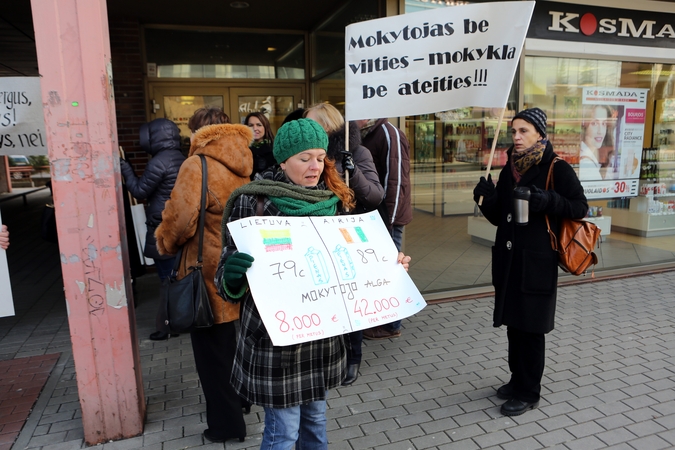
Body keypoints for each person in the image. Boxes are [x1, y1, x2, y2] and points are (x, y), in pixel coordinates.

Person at [216, 118, 411, 449]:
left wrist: (387, 268)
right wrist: (232, 274)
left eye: (320, 157)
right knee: (283, 432)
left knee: (316, 425)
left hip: (320, 337)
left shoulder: (331, 202)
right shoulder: (253, 201)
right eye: (304, 158)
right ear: (282, 160)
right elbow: (225, 278)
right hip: (275, 341)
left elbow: (347, 268)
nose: (315, 166)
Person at [472, 108, 588, 417]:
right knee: (514, 324)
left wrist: (546, 200)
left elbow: (580, 206)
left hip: (537, 260)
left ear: (540, 133)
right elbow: (499, 217)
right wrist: (485, 199)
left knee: (531, 328)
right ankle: (516, 379)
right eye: (513, 132)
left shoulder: (556, 166)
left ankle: (529, 391)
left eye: (523, 131)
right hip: (510, 259)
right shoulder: (510, 167)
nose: (517, 137)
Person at [155, 107, 252, 443]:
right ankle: (242, 401)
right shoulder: (244, 161)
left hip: (207, 273)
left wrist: (164, 243)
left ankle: (227, 427)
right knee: (234, 348)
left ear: (198, 132)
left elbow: (181, 220)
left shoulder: (196, 165)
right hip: (239, 270)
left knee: (213, 358)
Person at [304, 103, 384, 386]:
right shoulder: (305, 155)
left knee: (350, 302)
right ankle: (327, 355)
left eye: (313, 124)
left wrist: (353, 170)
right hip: (314, 238)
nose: (308, 129)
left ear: (327, 125)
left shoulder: (358, 152)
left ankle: (353, 357)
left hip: (344, 237)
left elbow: (374, 196)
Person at [120, 118, 185, 337]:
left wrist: (126, 169)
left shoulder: (159, 161)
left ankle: (168, 326)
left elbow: (139, 191)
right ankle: (181, 319)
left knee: (166, 280)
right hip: (178, 225)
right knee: (177, 276)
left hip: (161, 227)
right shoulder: (181, 158)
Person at [357, 118, 412, 341]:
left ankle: (392, 325)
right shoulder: (365, 133)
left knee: (393, 268)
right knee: (379, 269)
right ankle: (382, 318)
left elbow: (396, 181)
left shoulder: (389, 133)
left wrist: (389, 220)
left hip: (387, 217)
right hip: (373, 216)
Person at [579, 104, 615, 180]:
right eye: (594, 123)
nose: (600, 131)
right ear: (584, 126)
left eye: (604, 124)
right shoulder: (587, 165)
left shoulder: (591, 156)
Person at [245, 112, 276, 178]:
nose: (255, 128)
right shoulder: (242, 148)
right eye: (251, 125)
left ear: (265, 127)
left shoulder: (275, 149)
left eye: (259, 125)